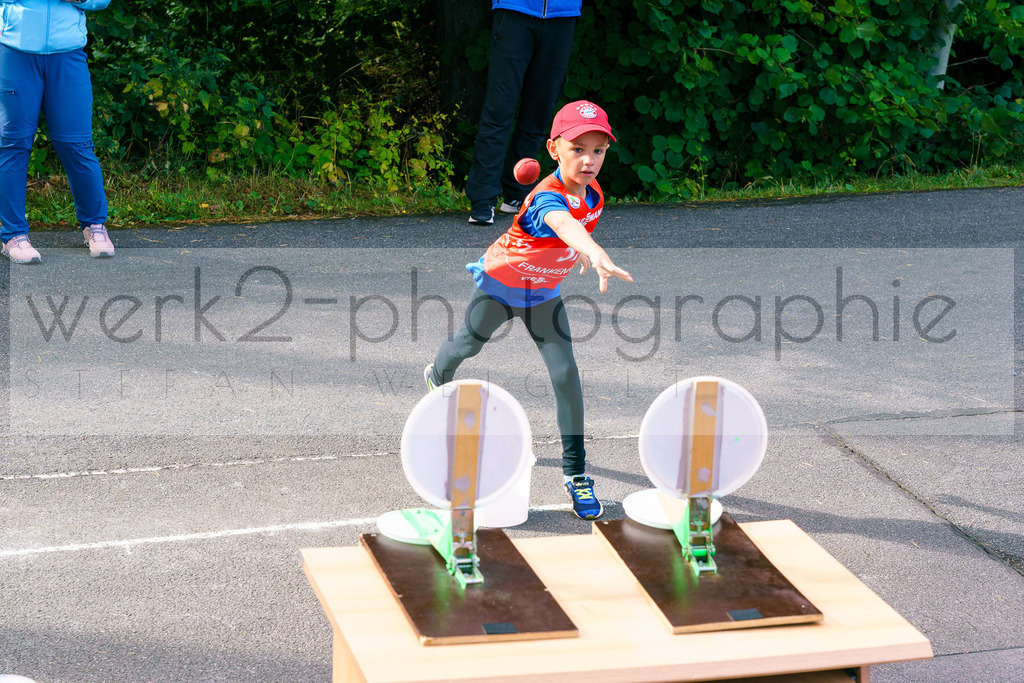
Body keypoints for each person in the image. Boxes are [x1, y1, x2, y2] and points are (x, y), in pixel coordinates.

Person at [426, 100, 633, 519]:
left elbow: (575, 228)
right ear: (554, 149)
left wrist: (578, 251)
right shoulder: (545, 198)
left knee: (566, 375)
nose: (589, 160)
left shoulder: (594, 194)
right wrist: (593, 251)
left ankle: (576, 473)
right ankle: (437, 374)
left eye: (598, 150)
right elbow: (564, 224)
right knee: (467, 344)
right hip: (500, 288)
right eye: (578, 149)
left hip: (542, 294)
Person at [0, 0, 114, 264]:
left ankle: (95, 226)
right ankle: (13, 235)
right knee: (13, 145)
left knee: (76, 144)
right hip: (15, 52)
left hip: (68, 55)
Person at [465, 0, 580, 225]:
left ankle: (518, 192)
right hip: (515, 11)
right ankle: (483, 199)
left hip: (562, 16)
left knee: (539, 112)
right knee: (499, 111)